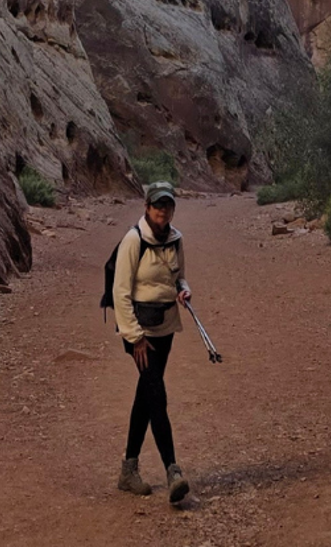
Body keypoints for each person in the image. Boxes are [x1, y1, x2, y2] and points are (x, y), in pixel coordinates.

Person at [112, 181, 192, 504]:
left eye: (167, 206)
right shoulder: (133, 240)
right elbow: (121, 292)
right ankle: (173, 470)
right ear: (147, 207)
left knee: (145, 396)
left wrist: (184, 290)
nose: (162, 211)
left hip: (166, 328)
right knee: (156, 395)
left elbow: (179, 277)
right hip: (140, 333)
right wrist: (134, 337)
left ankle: (128, 470)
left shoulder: (176, 239)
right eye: (157, 206)